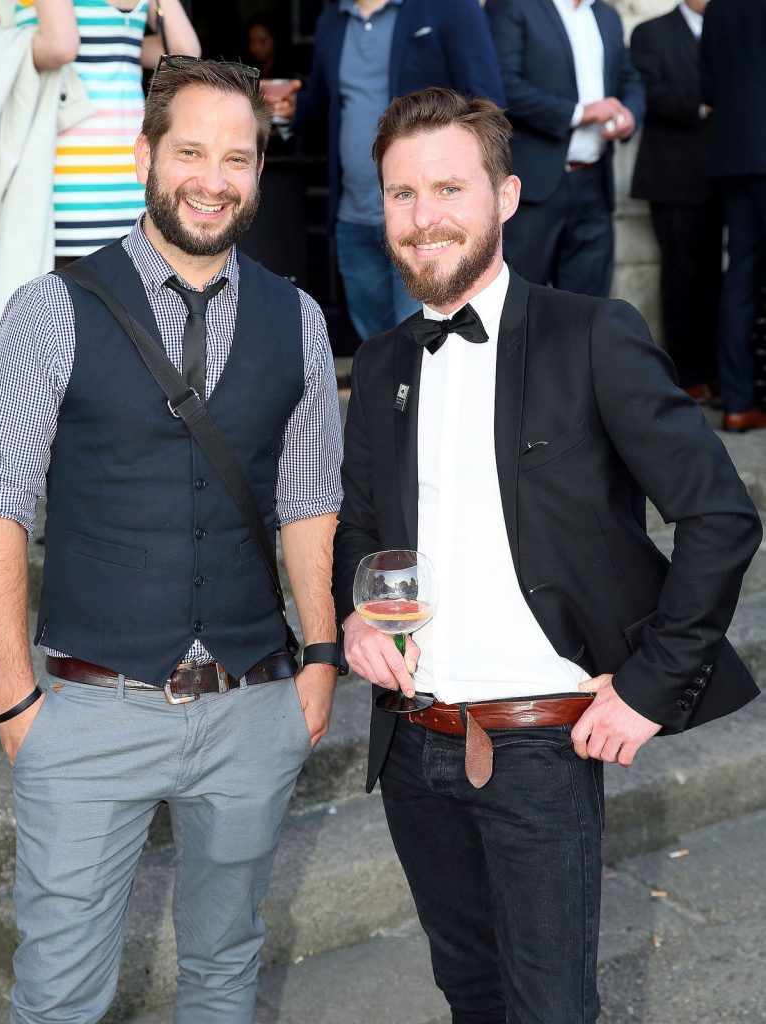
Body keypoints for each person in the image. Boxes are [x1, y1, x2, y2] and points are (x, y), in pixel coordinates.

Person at [332, 87, 761, 1023]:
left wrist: (652, 684)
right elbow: (358, 529)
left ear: (507, 196)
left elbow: (720, 516)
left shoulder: (590, 334)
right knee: (469, 993)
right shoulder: (381, 366)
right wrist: (356, 613)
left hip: (540, 747)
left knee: (550, 1007)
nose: (423, 218)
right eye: (401, 195)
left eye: (448, 188)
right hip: (413, 742)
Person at [0, 60, 343, 1024]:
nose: (210, 179)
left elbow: (307, 500)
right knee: (58, 995)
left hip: (253, 704)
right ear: (144, 154)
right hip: (93, 709)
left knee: (224, 970)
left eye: (236, 157)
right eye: (189, 152)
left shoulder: (297, 319)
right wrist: (15, 700)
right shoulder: (50, 309)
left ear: (260, 171)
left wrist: (321, 662)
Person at [269, 0, 504, 342]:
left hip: (427, 220)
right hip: (355, 215)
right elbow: (325, 104)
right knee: (379, 347)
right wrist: (292, 109)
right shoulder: (332, 19)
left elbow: (487, 107)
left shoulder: (452, 7)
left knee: (428, 343)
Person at [17, 0, 200, 267]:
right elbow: (61, 46)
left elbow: (185, 55)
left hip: (98, 168)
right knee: (92, 289)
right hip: (100, 165)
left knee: (88, 290)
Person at [487, 0, 644, 297]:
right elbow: (504, 85)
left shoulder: (606, 15)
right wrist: (579, 114)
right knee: (519, 303)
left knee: (589, 309)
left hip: (595, 184)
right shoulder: (513, 7)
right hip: (534, 187)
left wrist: (629, 116)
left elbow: (629, 78)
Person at [630, 0, 722, 406]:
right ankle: (687, 374)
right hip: (674, 176)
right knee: (682, 276)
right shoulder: (650, 32)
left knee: (720, 279)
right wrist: (703, 107)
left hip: (726, 175)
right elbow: (648, 93)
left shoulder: (729, 28)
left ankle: (720, 370)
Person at [701, 0, 766, 432]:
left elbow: (707, 87)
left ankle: (739, 402)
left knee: (741, 275)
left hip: (733, 156)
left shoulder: (719, 7)